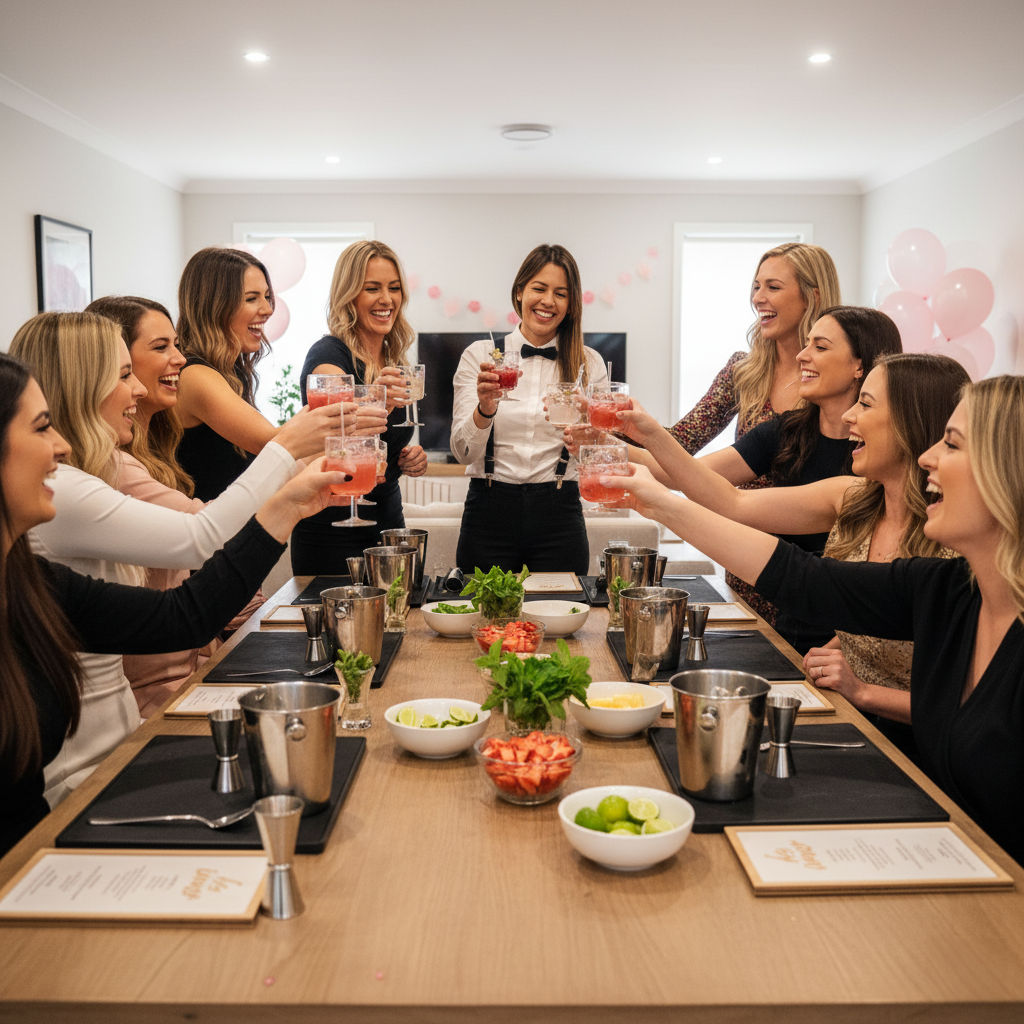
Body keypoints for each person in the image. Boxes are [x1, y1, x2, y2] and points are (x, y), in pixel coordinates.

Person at [608, 375, 1024, 866]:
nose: (928, 457)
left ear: (1008, 472)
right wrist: (655, 502)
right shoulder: (952, 591)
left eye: (951, 445)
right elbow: (799, 576)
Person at [0, 351, 343, 855]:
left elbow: (180, 618)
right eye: (41, 428)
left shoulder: (28, 582)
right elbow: (198, 541)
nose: (60, 447)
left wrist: (284, 510)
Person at [621, 353, 969, 747]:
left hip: (918, 743)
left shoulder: (958, 541)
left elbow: (970, 705)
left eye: (866, 404)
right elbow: (733, 505)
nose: (850, 416)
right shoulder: (852, 496)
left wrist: (865, 691)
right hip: (848, 713)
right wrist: (651, 437)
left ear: (913, 421)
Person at [619, 307, 903, 651]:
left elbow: (732, 504)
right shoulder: (788, 431)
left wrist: (848, 650)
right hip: (790, 618)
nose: (802, 355)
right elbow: (721, 493)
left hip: (832, 634)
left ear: (860, 365)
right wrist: (631, 440)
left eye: (821, 346)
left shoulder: (871, 478)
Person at [450, 244, 608, 574]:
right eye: (539, 288)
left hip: (560, 515)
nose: (548, 301)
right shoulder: (479, 355)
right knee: (485, 619)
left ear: (571, 304)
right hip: (487, 513)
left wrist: (589, 432)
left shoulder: (590, 364)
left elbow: (600, 457)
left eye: (560, 293)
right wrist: (485, 408)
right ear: (520, 291)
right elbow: (463, 453)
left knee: (563, 617)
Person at [174, 248, 368, 500]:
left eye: (267, 297)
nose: (267, 309)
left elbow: (267, 465)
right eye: (252, 298)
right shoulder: (196, 375)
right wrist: (349, 413)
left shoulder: (230, 374)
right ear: (214, 305)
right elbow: (273, 446)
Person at [290, 240, 427, 574]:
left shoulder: (393, 359)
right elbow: (333, 429)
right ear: (349, 295)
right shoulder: (327, 355)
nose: (387, 299)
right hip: (332, 525)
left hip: (387, 519)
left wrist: (407, 457)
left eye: (394, 288)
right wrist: (375, 398)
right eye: (372, 288)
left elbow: (378, 448)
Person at [668, 241, 841, 453]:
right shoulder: (743, 371)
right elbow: (683, 439)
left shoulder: (840, 379)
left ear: (812, 298)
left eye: (773, 287)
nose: (757, 298)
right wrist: (625, 426)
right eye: (757, 287)